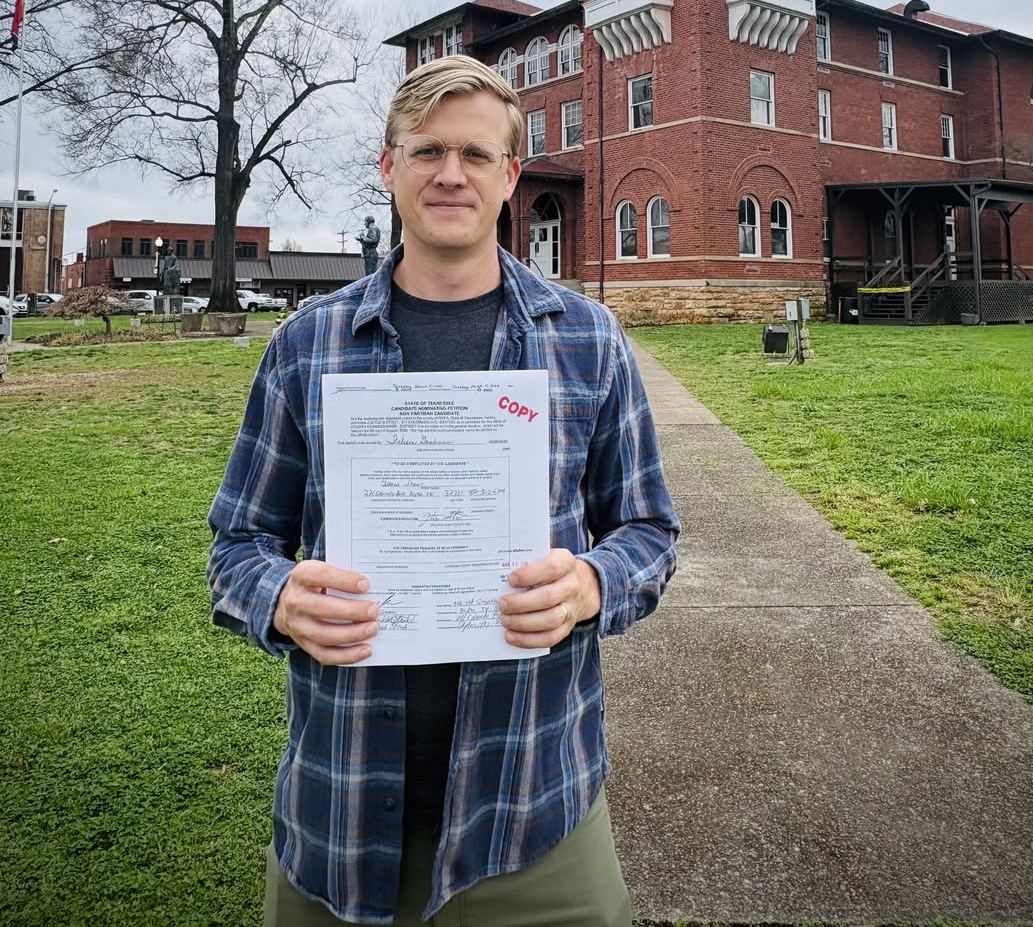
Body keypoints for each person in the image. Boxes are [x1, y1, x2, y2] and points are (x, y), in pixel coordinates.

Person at [208, 55, 679, 927]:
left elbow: (647, 528)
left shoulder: (588, 340)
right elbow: (237, 546)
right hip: (338, 818)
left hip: (536, 816)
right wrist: (277, 598)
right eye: (426, 151)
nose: (450, 174)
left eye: (474, 154)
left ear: (511, 176)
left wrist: (591, 584)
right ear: (389, 168)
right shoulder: (308, 345)